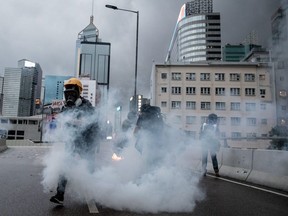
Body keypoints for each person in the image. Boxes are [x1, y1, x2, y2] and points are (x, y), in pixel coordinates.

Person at [50, 77, 99, 205]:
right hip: (71, 143)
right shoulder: (66, 108)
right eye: (67, 93)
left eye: (72, 92)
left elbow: (91, 123)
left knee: (90, 169)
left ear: (78, 92)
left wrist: (95, 142)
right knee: (64, 167)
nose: (69, 95)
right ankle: (59, 195)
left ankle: (99, 192)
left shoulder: (87, 106)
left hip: (86, 143)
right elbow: (62, 124)